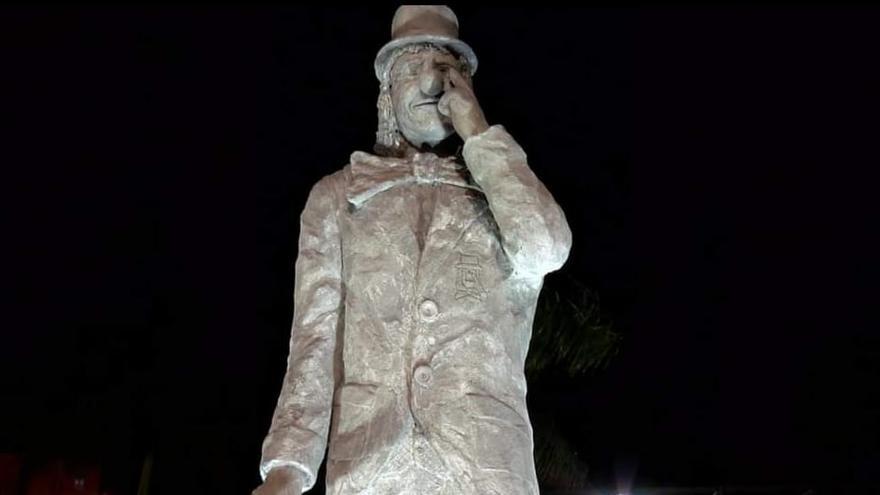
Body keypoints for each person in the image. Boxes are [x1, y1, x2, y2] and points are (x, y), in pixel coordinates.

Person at [253, 6, 571, 495]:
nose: (429, 84)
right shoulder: (337, 197)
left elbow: (546, 248)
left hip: (485, 471)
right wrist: (287, 468)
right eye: (411, 69)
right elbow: (314, 346)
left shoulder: (501, 192)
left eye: (444, 71)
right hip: (370, 467)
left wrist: (481, 136)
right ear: (385, 94)